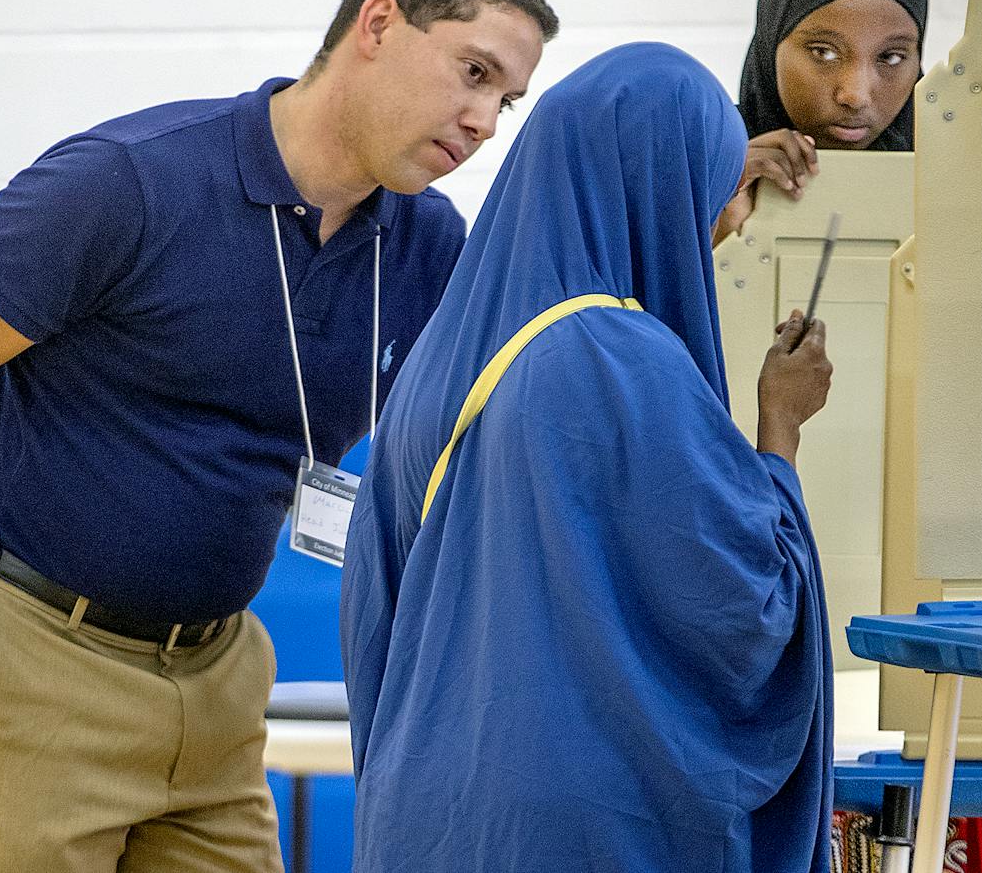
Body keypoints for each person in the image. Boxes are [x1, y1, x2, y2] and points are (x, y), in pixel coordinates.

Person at [0, 0, 558, 873]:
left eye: (507, 102)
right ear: (380, 23)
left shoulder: (428, 245)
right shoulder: (129, 181)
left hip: (216, 675)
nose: (485, 122)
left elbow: (555, 373)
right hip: (27, 660)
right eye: (474, 74)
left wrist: (717, 212)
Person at [341, 42, 835, 872]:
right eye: (714, 190)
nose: (731, 219)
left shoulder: (439, 358)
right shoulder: (621, 358)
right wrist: (779, 431)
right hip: (581, 832)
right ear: (656, 185)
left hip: (423, 823)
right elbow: (749, 609)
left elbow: (372, 618)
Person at [716, 0, 928, 243]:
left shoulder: (956, 186)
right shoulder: (694, 173)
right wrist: (712, 234)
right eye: (824, 52)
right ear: (773, 40)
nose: (855, 96)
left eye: (890, 57)